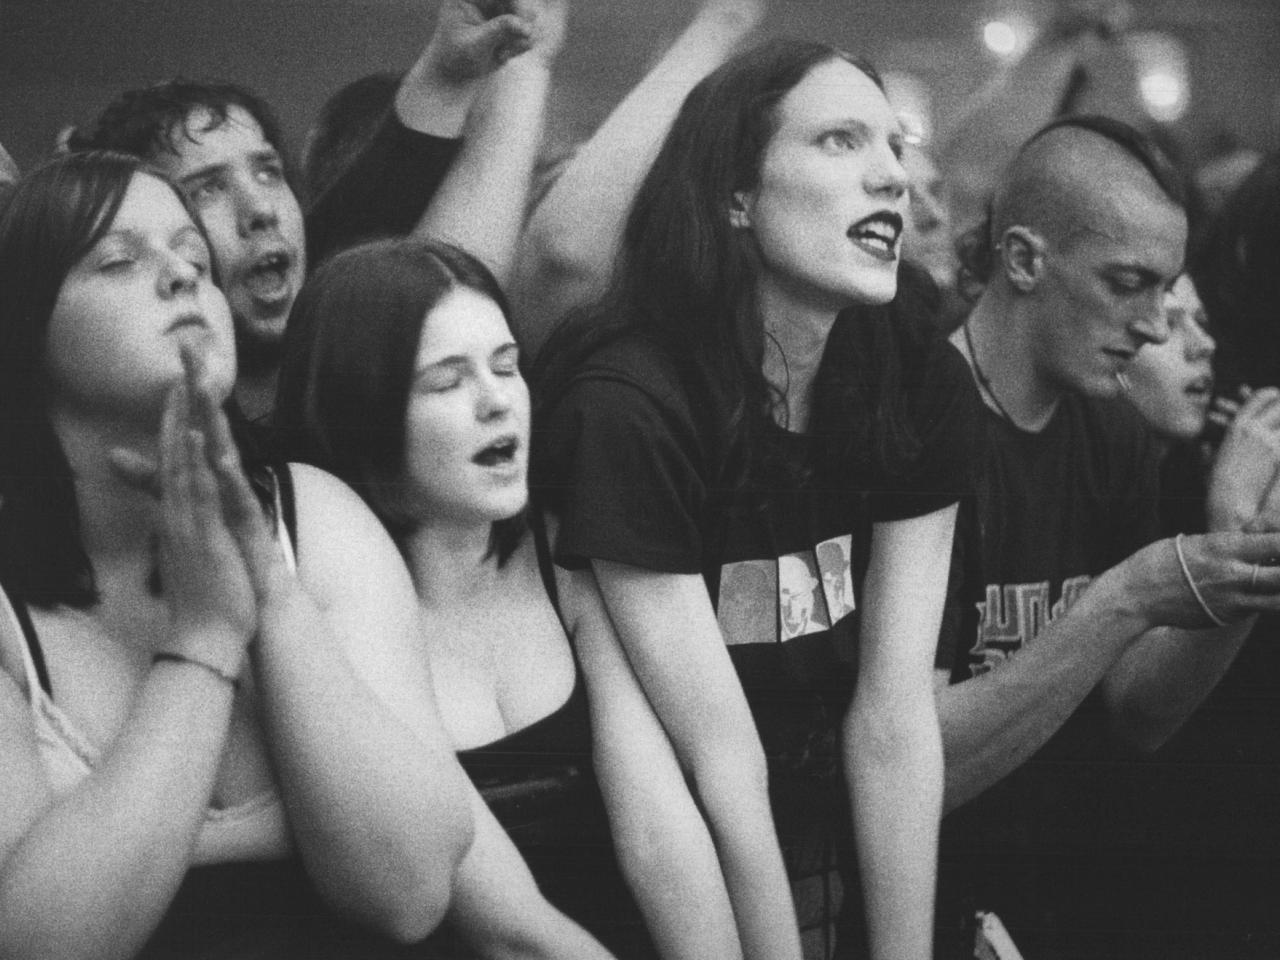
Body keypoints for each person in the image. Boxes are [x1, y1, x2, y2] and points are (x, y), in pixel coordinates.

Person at [533, 38, 982, 960]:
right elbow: (719, 760)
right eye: (839, 143)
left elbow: (895, 719)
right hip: (640, 875)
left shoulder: (917, 375)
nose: (891, 178)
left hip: (814, 838)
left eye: (893, 148)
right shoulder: (631, 403)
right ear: (735, 196)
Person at [0, 150, 475, 959]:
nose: (184, 279)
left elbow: (410, 893)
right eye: (118, 261)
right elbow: (41, 944)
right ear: (22, 330)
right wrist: (206, 639)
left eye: (193, 257)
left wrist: (273, 597)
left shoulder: (316, 518)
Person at [938, 115, 1280, 954]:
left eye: (1167, 289)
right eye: (1128, 282)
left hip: (1054, 894)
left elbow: (1138, 712)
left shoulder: (1110, 430)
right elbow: (908, 766)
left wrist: (1241, 547)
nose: (1159, 326)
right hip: (928, 892)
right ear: (1022, 261)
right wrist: (1124, 598)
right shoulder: (918, 420)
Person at [273, 236, 652, 958]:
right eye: (448, 382)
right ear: (362, 417)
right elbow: (501, 926)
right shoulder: (329, 599)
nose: (497, 401)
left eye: (508, 367)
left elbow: (657, 823)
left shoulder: (568, 550)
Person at [69, 0, 565, 418]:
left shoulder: (326, 342)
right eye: (206, 189)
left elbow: (361, 215)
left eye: (268, 171)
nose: (259, 208)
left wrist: (452, 72)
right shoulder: (154, 441)